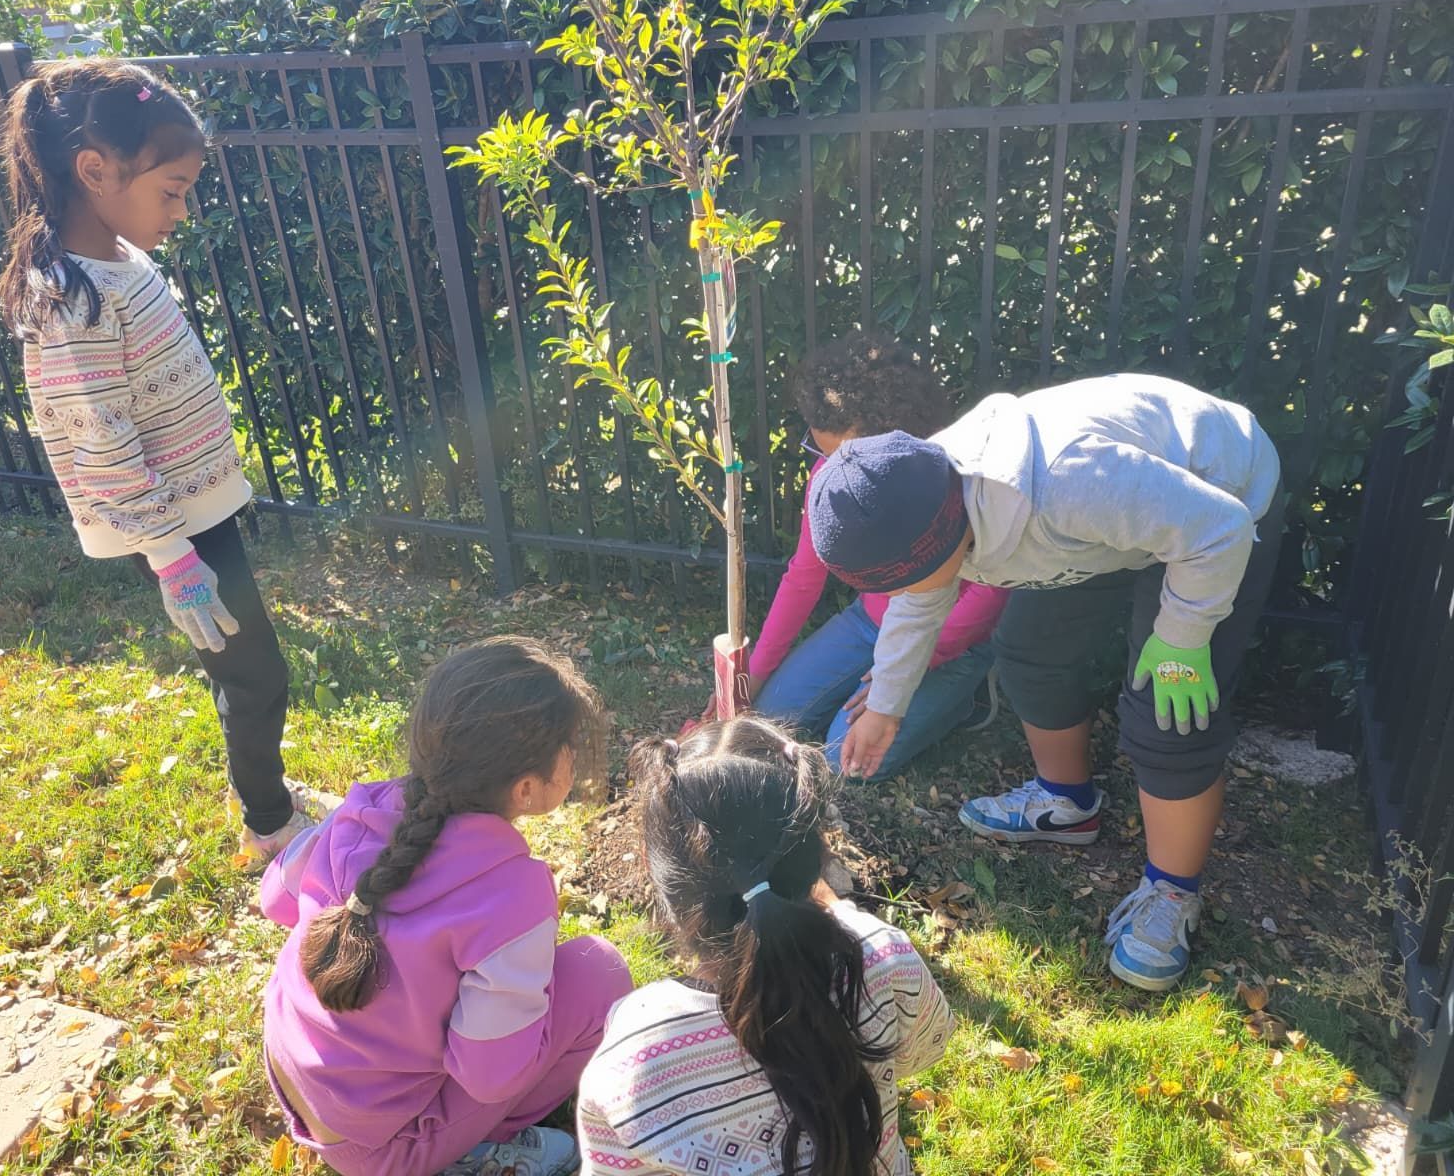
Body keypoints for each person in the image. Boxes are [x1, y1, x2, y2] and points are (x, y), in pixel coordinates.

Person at [808, 375, 1283, 992]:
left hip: (1220, 508)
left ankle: (1172, 894)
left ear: (948, 535)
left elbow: (1218, 527)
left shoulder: (1074, 483)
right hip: (1118, 527)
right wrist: (888, 706)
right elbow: (921, 597)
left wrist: (1183, 638)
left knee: (1165, 707)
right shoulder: (925, 499)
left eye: (904, 578)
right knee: (1029, 648)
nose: (902, 593)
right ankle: (1067, 804)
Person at [0, 58, 310, 865]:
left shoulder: (116, 264)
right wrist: (171, 558)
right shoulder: (74, 297)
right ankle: (271, 824)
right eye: (170, 190)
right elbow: (99, 438)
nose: (182, 209)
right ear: (94, 171)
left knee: (237, 668)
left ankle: (265, 802)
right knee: (257, 676)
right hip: (177, 533)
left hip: (196, 511)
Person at [260, 638, 633, 1176]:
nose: (575, 756)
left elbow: (274, 897)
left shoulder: (363, 806)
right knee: (602, 972)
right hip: (379, 1148)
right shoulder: (512, 894)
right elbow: (491, 1076)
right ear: (526, 789)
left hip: (291, 1069)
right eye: (570, 745)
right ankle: (473, 1152)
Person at [577, 715, 954, 1176]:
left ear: (664, 885)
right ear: (817, 859)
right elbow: (924, 1051)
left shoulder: (634, 1053)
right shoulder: (883, 956)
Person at [752, 334, 1009, 782]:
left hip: (949, 641)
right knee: (767, 721)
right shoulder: (831, 476)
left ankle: (965, 698)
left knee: (843, 764)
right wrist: (753, 674)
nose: (825, 468)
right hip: (868, 622)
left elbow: (989, 596)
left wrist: (903, 674)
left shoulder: (952, 474)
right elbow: (803, 578)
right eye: (820, 452)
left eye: (835, 454)